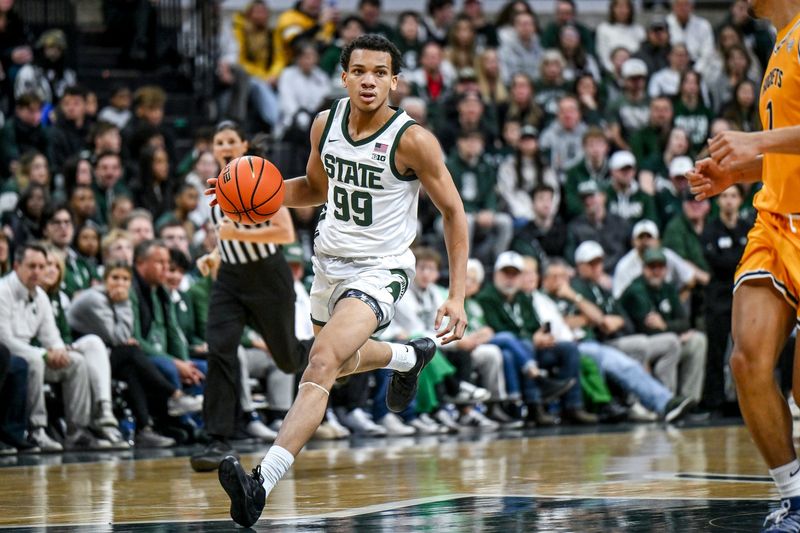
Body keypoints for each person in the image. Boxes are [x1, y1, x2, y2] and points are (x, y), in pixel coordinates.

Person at [206, 34, 469, 527]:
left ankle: (260, 483)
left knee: (321, 361)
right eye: (360, 71)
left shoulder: (413, 140)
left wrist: (456, 295)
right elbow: (313, 188)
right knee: (341, 364)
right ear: (344, 76)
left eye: (380, 72)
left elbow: (454, 212)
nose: (369, 81)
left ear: (394, 81)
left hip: (380, 268)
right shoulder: (324, 124)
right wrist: (241, 196)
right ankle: (407, 357)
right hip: (328, 262)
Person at [686, 2, 800, 528]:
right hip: (775, 221)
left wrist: (756, 140)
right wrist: (740, 173)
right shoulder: (781, 41)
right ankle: (794, 499)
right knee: (747, 360)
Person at [189, 121, 312, 472]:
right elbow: (227, 233)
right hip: (229, 279)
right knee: (220, 350)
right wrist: (215, 256)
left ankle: (331, 357)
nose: (225, 146)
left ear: (244, 145)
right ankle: (218, 439)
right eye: (219, 142)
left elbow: (284, 232)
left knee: (288, 360)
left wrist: (235, 235)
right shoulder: (215, 187)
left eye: (231, 140)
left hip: (268, 277)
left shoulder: (261, 176)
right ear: (213, 149)